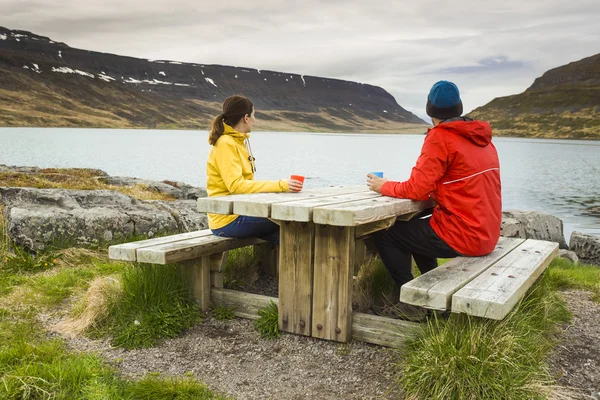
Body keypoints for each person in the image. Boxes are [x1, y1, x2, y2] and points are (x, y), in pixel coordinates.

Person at [366, 80, 502, 321]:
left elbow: (417, 190)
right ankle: (430, 297)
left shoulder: (441, 138)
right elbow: (457, 183)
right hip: (487, 233)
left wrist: (383, 186)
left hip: (465, 236)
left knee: (387, 232)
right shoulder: (483, 138)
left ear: (430, 110)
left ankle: (412, 304)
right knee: (418, 231)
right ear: (459, 106)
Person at [206, 95, 303, 244]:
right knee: (293, 219)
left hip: (239, 211)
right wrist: (281, 185)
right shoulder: (226, 144)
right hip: (227, 220)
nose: (255, 119)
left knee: (289, 234)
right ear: (246, 117)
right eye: (254, 115)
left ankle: (278, 266)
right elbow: (236, 185)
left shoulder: (238, 141)